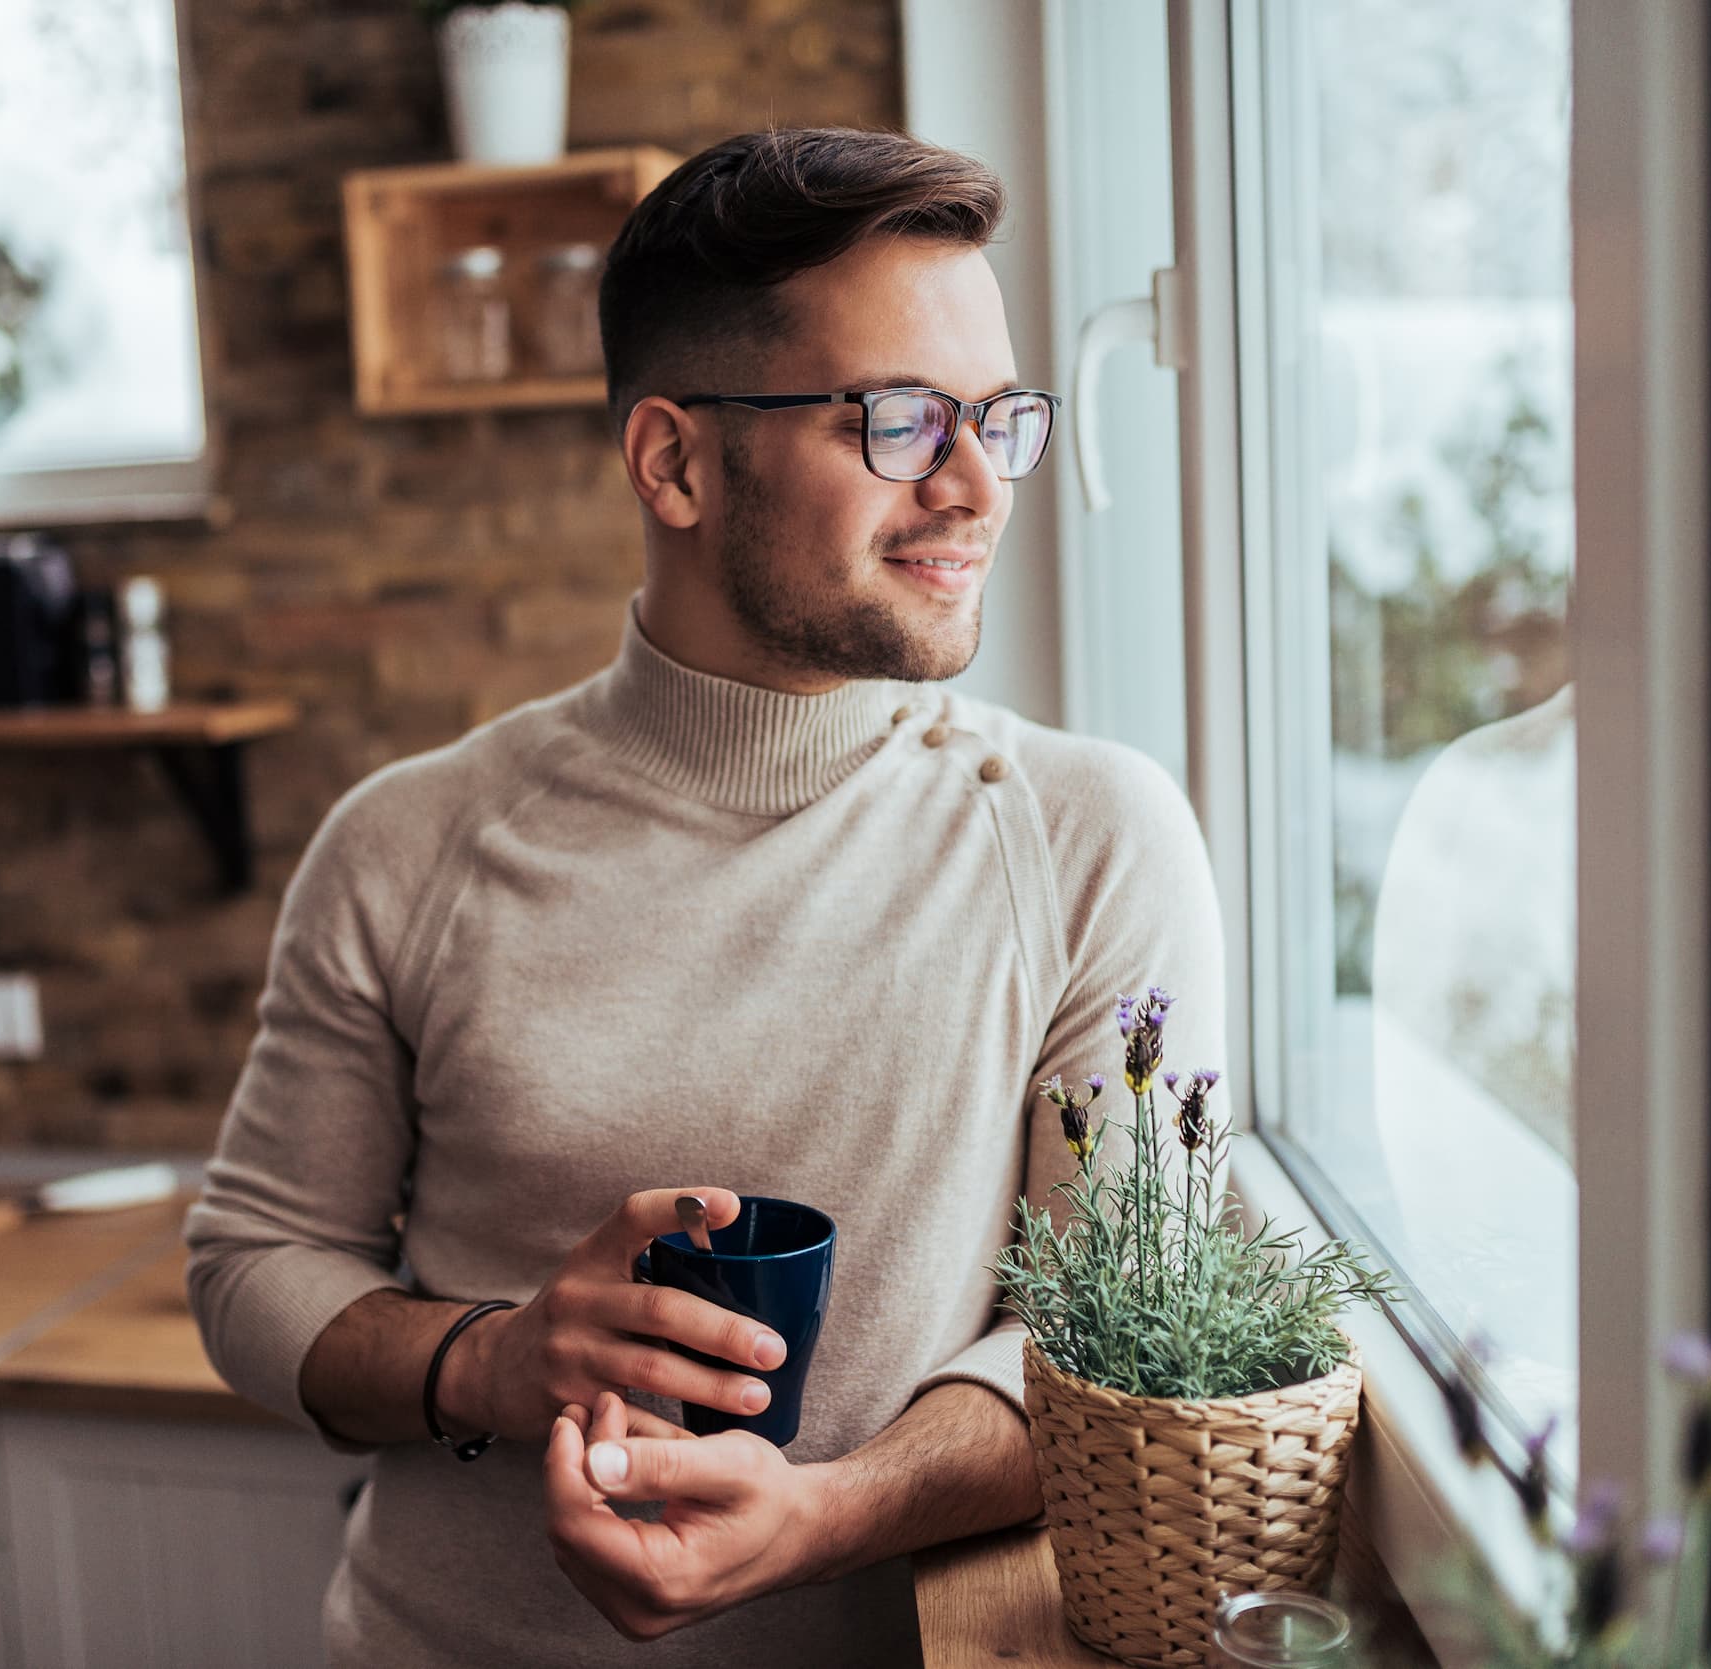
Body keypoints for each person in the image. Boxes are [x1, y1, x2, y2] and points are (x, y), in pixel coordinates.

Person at [184, 126, 1227, 1668]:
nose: (974, 486)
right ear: (675, 459)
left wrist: (826, 1511)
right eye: (896, 419)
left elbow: (1124, 1355)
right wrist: (494, 1360)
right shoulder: (406, 842)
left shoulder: (1090, 839)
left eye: (999, 417)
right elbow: (254, 1262)